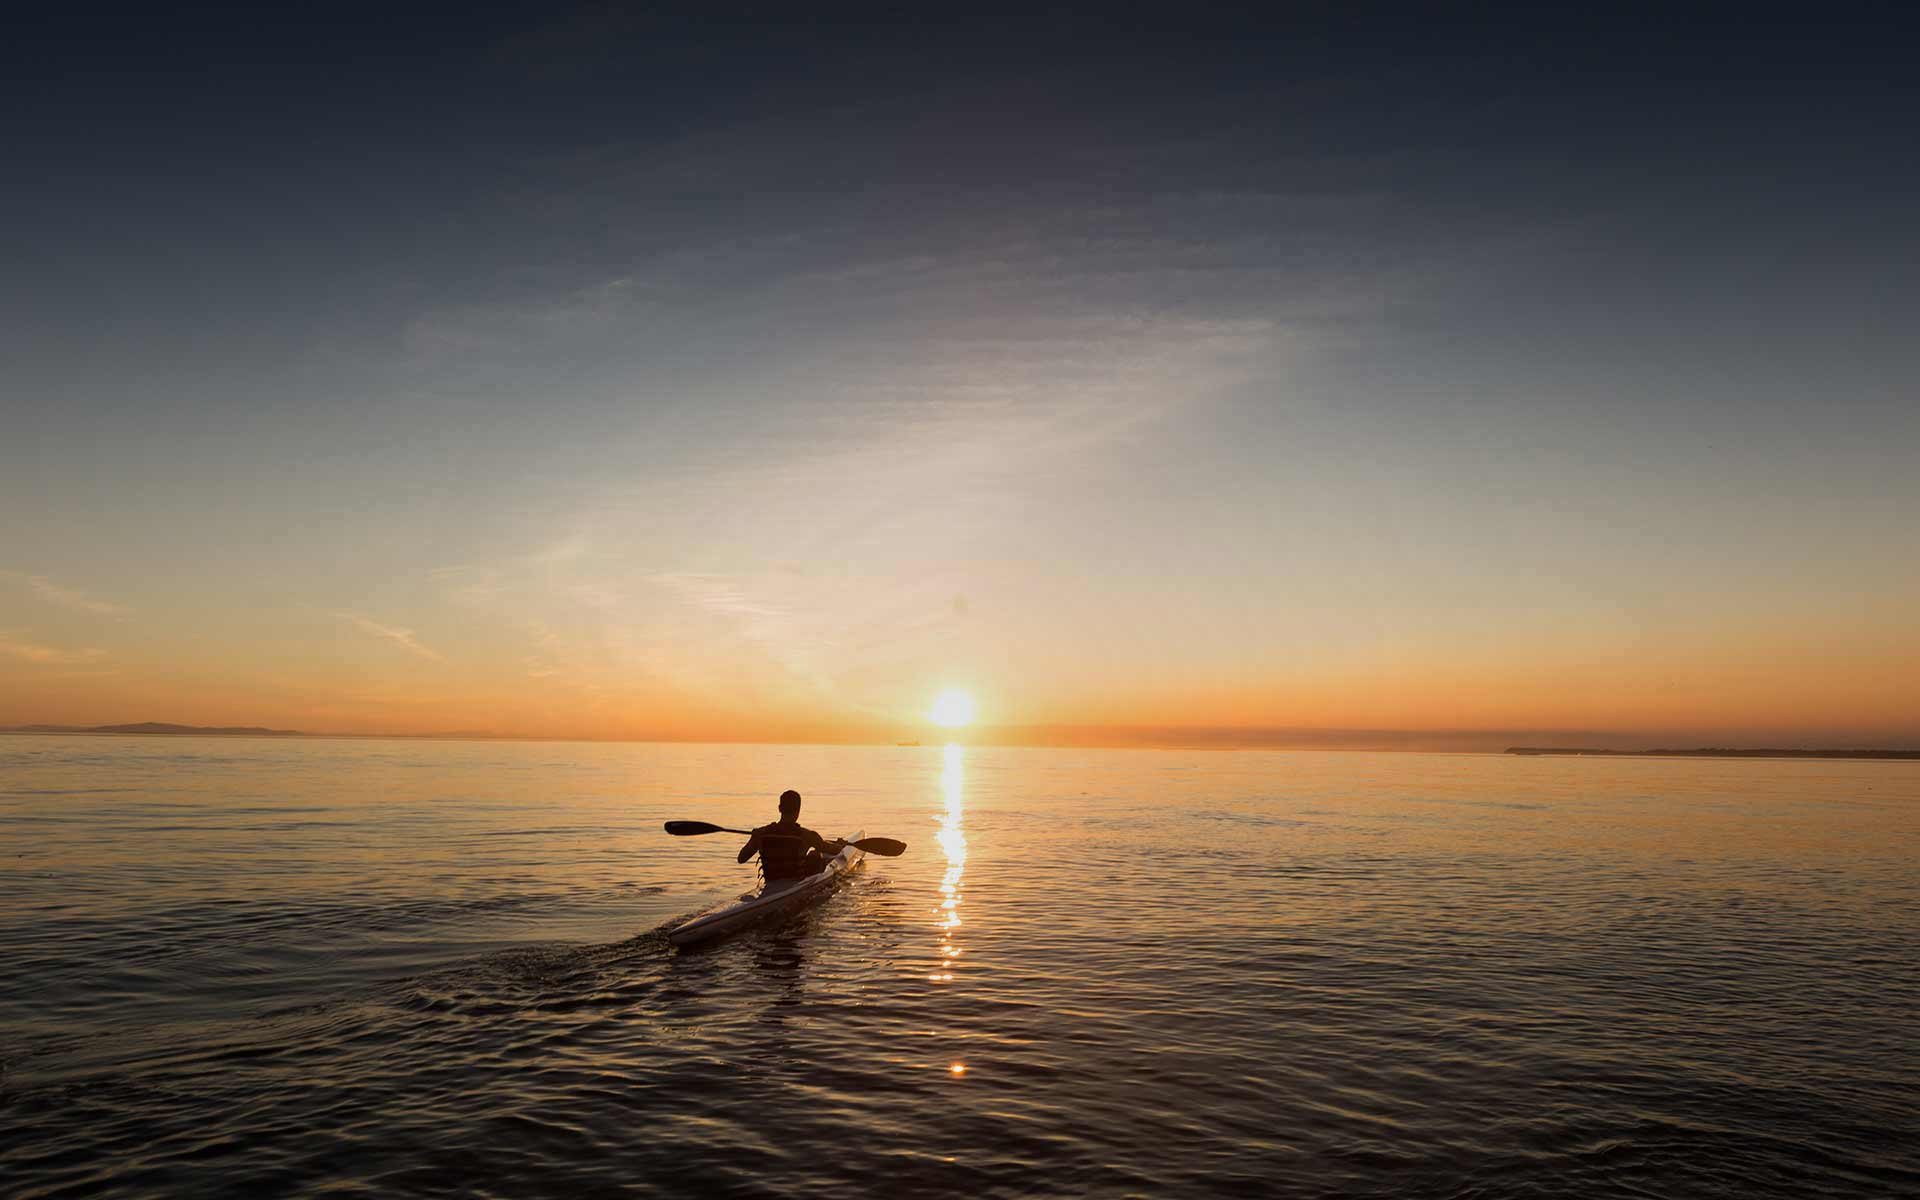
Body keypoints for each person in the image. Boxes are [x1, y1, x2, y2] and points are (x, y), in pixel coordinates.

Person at [738, 790, 846, 882]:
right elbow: (833, 851)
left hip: (771, 882)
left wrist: (753, 838)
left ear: (780, 808)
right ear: (798, 810)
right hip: (796, 883)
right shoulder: (807, 835)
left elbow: (741, 858)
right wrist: (841, 845)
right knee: (815, 855)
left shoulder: (761, 833)